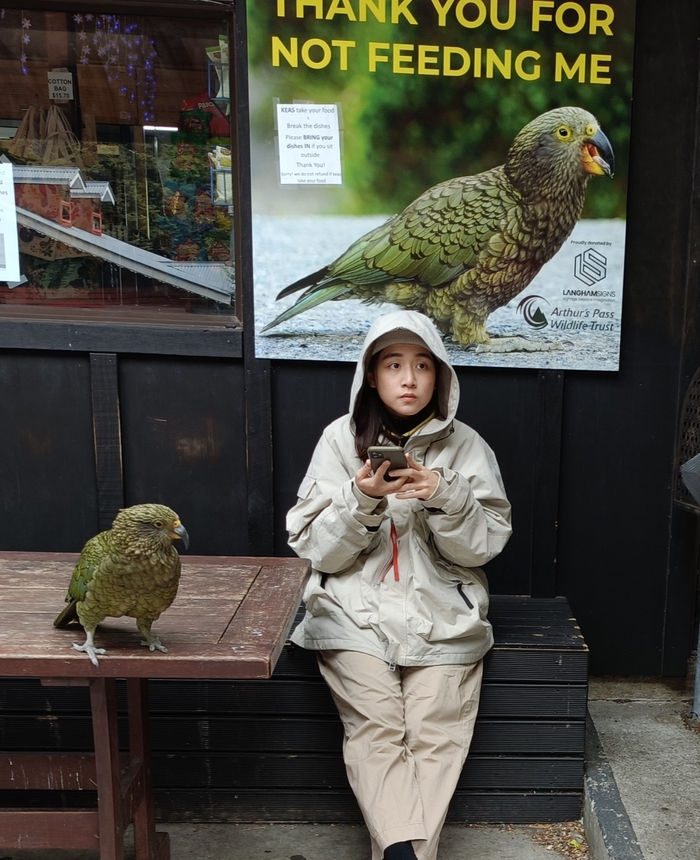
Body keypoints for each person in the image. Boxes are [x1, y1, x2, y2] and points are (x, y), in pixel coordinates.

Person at [288, 310, 512, 860]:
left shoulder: (467, 447)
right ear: (371, 375)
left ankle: (399, 854)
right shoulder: (339, 441)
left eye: (421, 365)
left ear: (441, 376)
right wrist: (360, 499)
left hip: (444, 615)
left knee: (437, 730)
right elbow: (315, 548)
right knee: (377, 724)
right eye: (393, 365)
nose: (408, 379)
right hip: (351, 613)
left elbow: (482, 546)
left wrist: (443, 493)